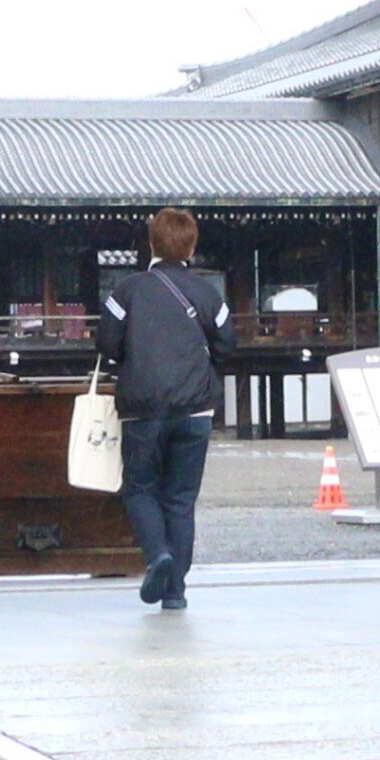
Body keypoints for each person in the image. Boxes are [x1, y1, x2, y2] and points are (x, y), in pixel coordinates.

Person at [94, 205, 229, 609]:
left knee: (140, 489)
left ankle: (158, 556)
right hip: (195, 410)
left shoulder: (127, 291)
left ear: (151, 242)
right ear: (191, 245)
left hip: (142, 407)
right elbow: (227, 344)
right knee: (181, 499)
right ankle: (176, 592)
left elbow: (107, 343)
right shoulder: (209, 293)